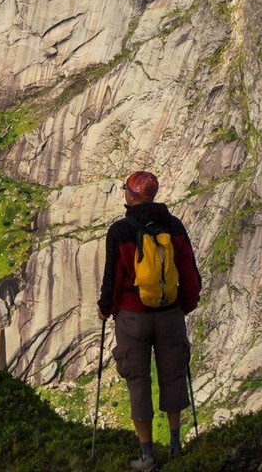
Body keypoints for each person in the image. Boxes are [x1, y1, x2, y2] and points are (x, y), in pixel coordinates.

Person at [98, 171, 202, 471]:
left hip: (133, 317)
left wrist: (106, 308)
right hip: (170, 313)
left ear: (131, 195)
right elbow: (189, 273)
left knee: (139, 381)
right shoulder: (174, 226)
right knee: (173, 375)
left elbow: (112, 278)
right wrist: (186, 305)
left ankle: (146, 456)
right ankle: (175, 445)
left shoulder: (120, 231)